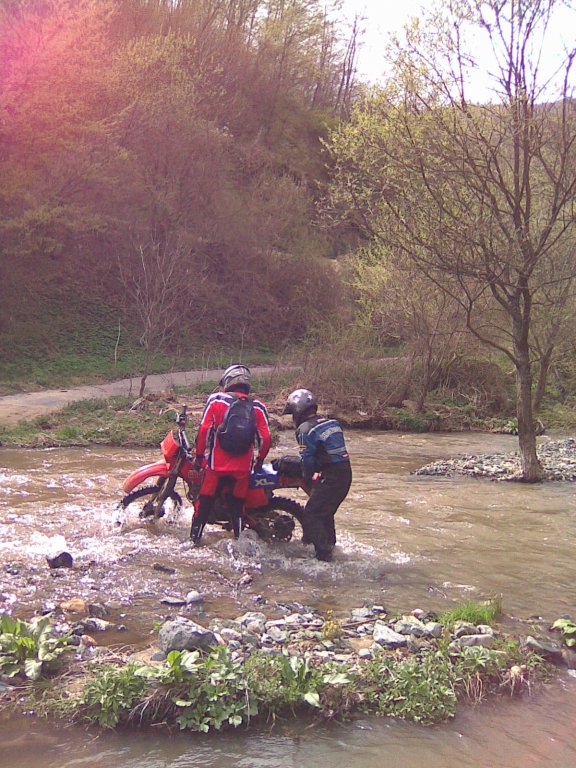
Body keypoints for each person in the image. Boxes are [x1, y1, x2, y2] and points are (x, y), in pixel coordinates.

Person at [190, 364, 271, 545]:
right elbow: (265, 439)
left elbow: (203, 431)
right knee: (237, 507)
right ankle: (240, 543)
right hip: (242, 470)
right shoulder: (258, 407)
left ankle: (194, 541)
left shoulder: (217, 400)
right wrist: (259, 461)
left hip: (216, 468)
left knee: (203, 504)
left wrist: (200, 457)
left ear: (227, 381)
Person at [282, 388, 352, 562]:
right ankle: (329, 548)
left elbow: (307, 461)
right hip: (345, 474)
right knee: (325, 513)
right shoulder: (332, 423)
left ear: (298, 411)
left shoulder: (304, 430)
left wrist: (306, 477)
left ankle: (324, 557)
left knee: (312, 515)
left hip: (331, 477)